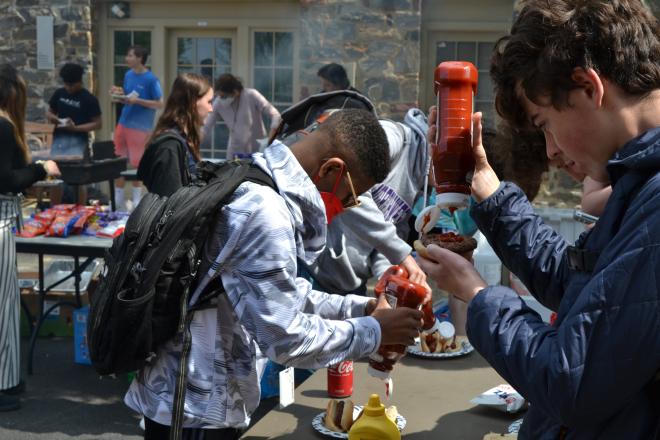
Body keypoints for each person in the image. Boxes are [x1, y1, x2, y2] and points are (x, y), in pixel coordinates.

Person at [417, 1, 660, 438]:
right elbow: (578, 286)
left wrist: (477, 295)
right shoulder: (639, 185)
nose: (549, 151)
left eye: (544, 123)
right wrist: (486, 188)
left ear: (589, 87)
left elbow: (571, 380)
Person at [125, 109, 425, 439]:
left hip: (197, 401)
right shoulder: (265, 213)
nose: (346, 208)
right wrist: (374, 331)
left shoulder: (254, 177)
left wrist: (361, 309)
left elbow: (284, 294)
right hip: (195, 409)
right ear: (331, 170)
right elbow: (283, 337)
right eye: (350, 197)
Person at [301, 109, 431, 295]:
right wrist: (403, 255)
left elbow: (389, 235)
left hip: (351, 285)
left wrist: (388, 276)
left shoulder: (421, 184)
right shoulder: (393, 138)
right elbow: (350, 192)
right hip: (312, 272)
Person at [0, 64, 60, 411]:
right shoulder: (4, 126)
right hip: (1, 223)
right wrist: (41, 168)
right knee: (4, 307)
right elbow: (6, 179)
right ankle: (4, 384)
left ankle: (8, 379)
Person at [138, 73, 213, 197]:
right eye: (209, 102)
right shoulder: (169, 146)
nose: (211, 109)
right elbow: (170, 204)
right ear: (193, 102)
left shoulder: (182, 139)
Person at [111, 45, 163, 210]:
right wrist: (120, 96)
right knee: (118, 161)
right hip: (123, 123)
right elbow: (128, 96)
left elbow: (160, 103)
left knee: (136, 164)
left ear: (140, 58)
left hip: (140, 128)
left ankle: (136, 202)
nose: (127, 58)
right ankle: (118, 202)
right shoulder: (128, 75)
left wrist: (138, 101)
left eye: (130, 55)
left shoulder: (151, 79)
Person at [202, 73, 281, 160]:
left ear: (235, 92)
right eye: (219, 96)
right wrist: (194, 142)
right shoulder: (218, 102)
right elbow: (206, 126)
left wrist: (270, 139)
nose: (221, 99)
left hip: (257, 150)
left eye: (224, 96)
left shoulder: (251, 95)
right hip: (234, 151)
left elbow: (275, 115)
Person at [46, 63, 102, 157]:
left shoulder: (89, 99)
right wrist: (56, 119)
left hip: (78, 144)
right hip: (58, 141)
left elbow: (98, 124)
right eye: (66, 84)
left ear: (79, 82)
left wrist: (75, 128)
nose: (68, 88)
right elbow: (49, 112)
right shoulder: (59, 93)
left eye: (71, 85)